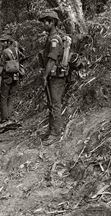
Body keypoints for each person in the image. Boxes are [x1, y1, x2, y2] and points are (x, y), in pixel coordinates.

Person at [38, 11, 66, 145]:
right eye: (43, 22)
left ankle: (55, 133)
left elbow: (51, 60)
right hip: (52, 76)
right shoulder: (51, 37)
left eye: (46, 21)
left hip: (56, 76)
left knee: (55, 104)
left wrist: (44, 76)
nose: (44, 24)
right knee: (51, 103)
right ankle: (51, 130)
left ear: (53, 22)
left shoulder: (55, 39)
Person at [0, 34, 23, 124]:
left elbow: (1, 66)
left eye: (4, 42)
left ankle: (4, 118)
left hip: (6, 76)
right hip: (15, 75)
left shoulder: (5, 52)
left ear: (8, 42)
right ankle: (9, 115)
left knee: (3, 97)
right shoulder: (16, 49)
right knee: (11, 97)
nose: (2, 43)